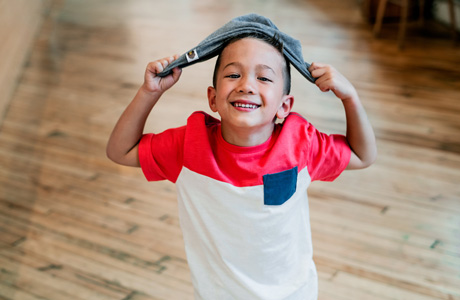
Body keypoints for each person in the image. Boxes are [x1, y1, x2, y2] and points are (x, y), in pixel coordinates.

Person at [107, 27, 376, 300]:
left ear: (285, 106)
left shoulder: (301, 143)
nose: (246, 85)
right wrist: (149, 92)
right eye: (233, 74)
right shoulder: (190, 144)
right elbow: (121, 151)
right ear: (212, 98)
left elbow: (362, 155)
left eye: (263, 77)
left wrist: (349, 97)